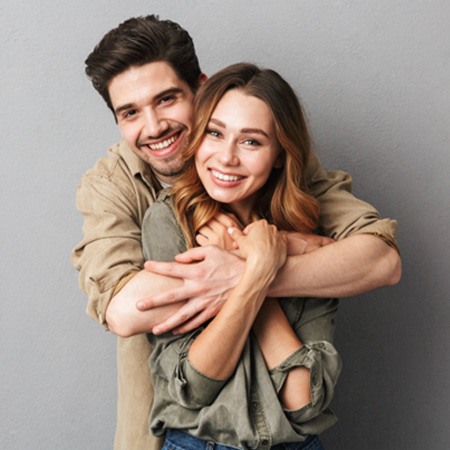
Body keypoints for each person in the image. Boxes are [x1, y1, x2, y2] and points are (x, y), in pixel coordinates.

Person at [71, 15, 401, 450]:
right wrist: (268, 263)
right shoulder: (112, 185)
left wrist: (261, 257)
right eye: (130, 112)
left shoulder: (274, 158)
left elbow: (380, 260)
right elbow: (125, 309)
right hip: (169, 432)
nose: (153, 127)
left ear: (202, 89)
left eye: (167, 99)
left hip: (289, 430)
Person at [142, 62, 343, 450]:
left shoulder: (310, 228)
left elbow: (303, 399)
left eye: (251, 141)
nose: (227, 157)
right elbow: (194, 386)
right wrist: (256, 272)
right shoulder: (169, 221)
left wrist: (252, 270)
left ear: (281, 154)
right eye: (215, 133)